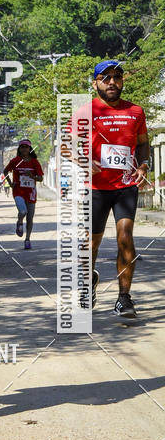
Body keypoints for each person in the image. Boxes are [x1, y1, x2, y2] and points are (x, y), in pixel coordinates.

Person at [87, 60, 149, 317]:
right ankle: (88, 280)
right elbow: (68, 145)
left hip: (125, 185)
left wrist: (144, 165)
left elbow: (143, 143)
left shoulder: (136, 111)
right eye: (106, 77)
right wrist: (83, 160)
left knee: (126, 238)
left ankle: (124, 298)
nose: (112, 82)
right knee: (91, 244)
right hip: (95, 188)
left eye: (117, 77)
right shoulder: (86, 111)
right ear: (95, 83)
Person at [4, 140, 44, 249]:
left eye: (26, 147)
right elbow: (5, 171)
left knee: (30, 218)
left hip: (31, 193)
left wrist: (32, 176)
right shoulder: (15, 161)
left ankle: (27, 239)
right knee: (23, 211)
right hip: (18, 191)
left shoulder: (35, 162)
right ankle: (19, 221)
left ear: (30, 149)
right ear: (19, 149)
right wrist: (10, 183)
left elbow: (40, 178)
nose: (24, 149)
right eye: (22, 147)